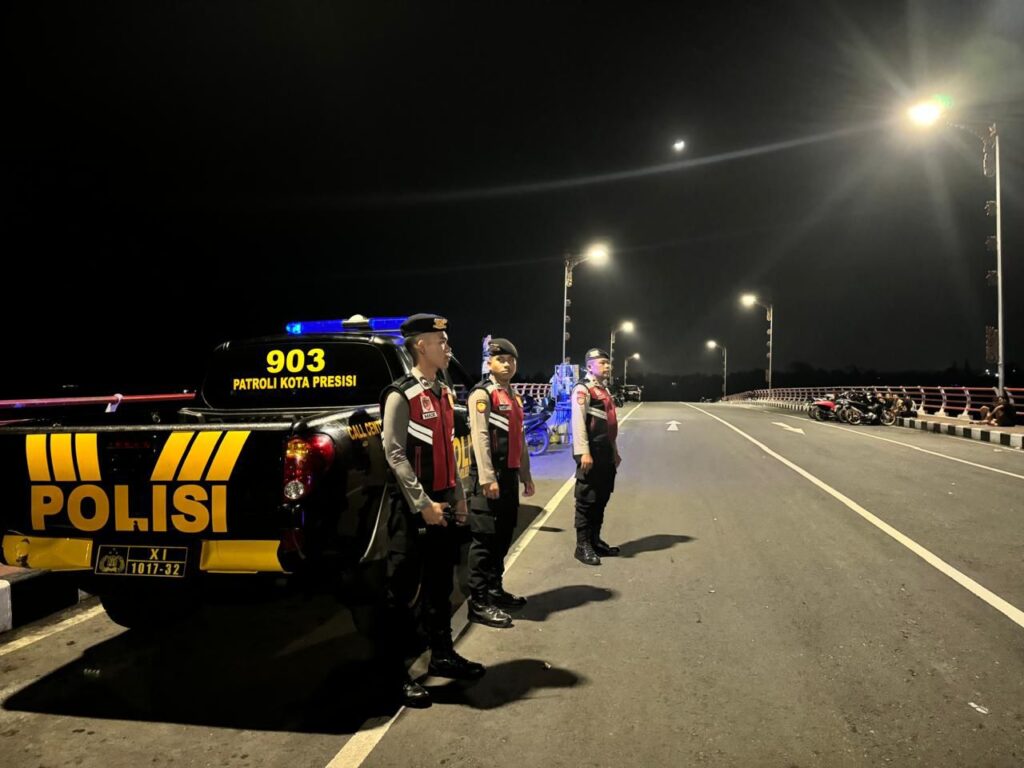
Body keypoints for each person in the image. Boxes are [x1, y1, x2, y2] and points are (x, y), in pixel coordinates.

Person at [380, 313, 485, 709]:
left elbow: (446, 450)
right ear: (420, 345)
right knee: (402, 592)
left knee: (440, 586)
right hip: (414, 508)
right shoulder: (401, 394)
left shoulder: (443, 392)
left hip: (443, 502)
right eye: (440, 342)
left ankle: (442, 654)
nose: (447, 347)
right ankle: (394, 675)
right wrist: (423, 504)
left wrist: (458, 496)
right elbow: (394, 454)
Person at [466, 338, 535, 629]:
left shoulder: (514, 396)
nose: (507, 365)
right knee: (485, 541)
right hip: (489, 478)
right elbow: (480, 437)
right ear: (489, 363)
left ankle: (495, 589)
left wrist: (525, 475)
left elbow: (520, 439)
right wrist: (487, 478)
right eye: (501, 360)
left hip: (508, 477)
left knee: (504, 535)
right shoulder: (482, 394)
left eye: (511, 360)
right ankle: (478, 603)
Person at [570, 347, 622, 566]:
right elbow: (578, 422)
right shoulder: (583, 389)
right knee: (586, 500)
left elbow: (609, 425)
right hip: (590, 453)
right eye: (602, 362)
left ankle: (595, 540)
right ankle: (582, 546)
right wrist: (583, 452)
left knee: (601, 497)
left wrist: (614, 450)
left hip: (605, 453)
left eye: (608, 363)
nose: (607, 366)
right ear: (589, 366)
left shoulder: (603, 389)